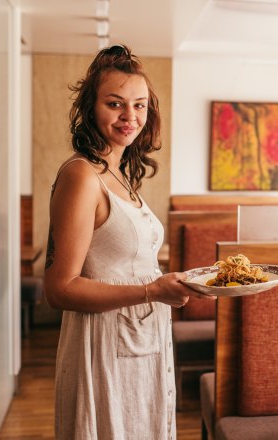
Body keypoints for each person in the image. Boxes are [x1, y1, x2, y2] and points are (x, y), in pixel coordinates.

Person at [43, 44, 213, 439]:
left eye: (139, 105)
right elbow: (59, 288)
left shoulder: (118, 174)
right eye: (115, 104)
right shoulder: (81, 175)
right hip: (102, 347)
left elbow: (126, 266)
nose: (129, 116)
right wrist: (152, 290)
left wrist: (170, 284)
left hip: (139, 342)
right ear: (90, 108)